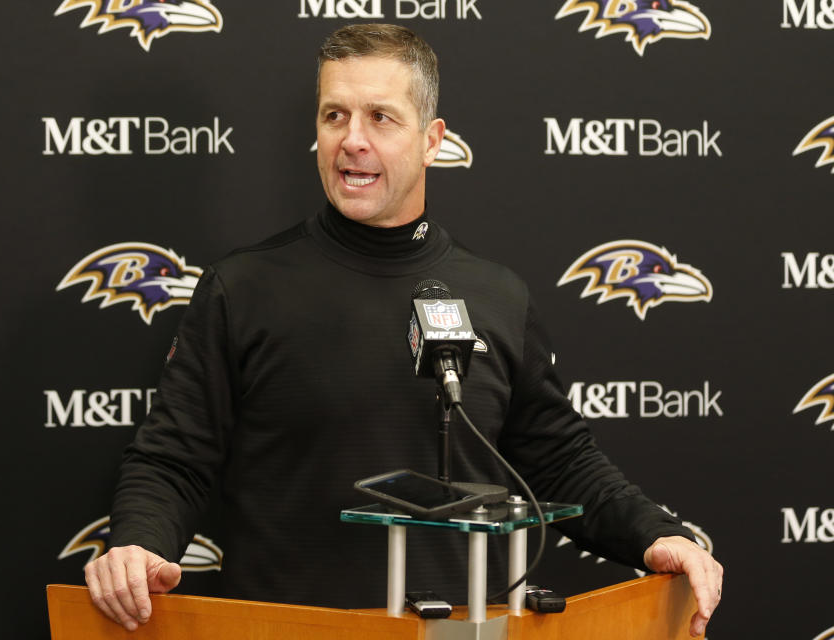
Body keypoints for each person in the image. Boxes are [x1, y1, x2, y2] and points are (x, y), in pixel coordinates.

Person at [84, 23, 723, 637]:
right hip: (290, 631)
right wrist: (137, 546)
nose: (351, 140)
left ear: (432, 139)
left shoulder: (498, 295)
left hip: (470, 633)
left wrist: (655, 534)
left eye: (380, 118)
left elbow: (559, 460)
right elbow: (174, 460)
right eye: (335, 116)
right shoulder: (242, 287)